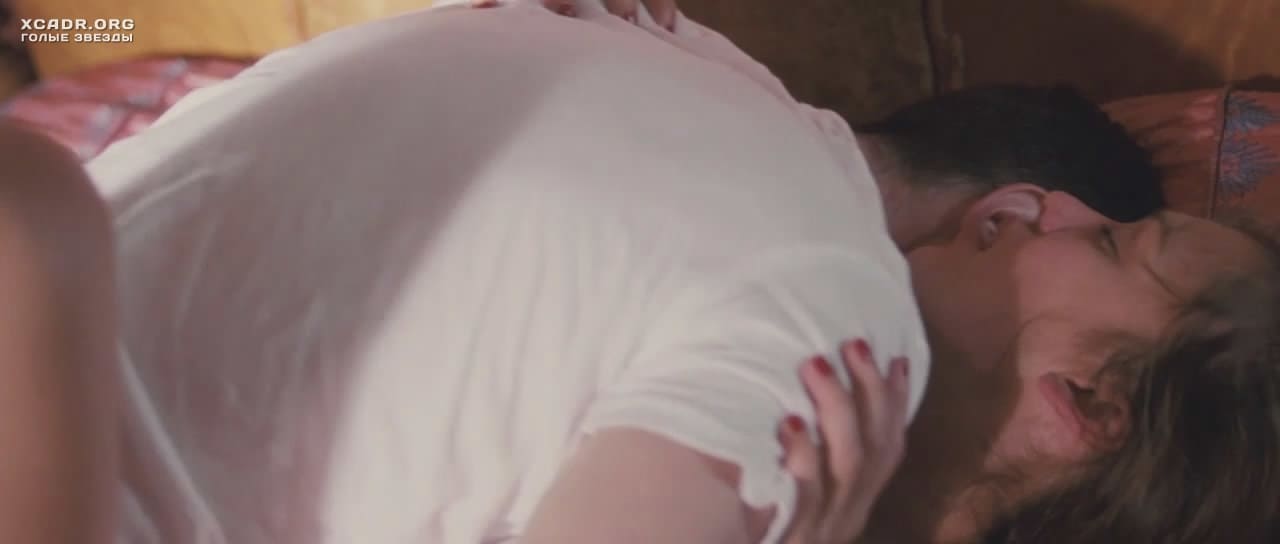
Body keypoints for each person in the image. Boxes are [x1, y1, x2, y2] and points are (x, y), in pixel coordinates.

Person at [3, 3, 1275, 544]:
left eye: (1107, 241)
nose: (1059, 216)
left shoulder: (680, 56)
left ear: (1088, 403)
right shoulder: (838, 345)